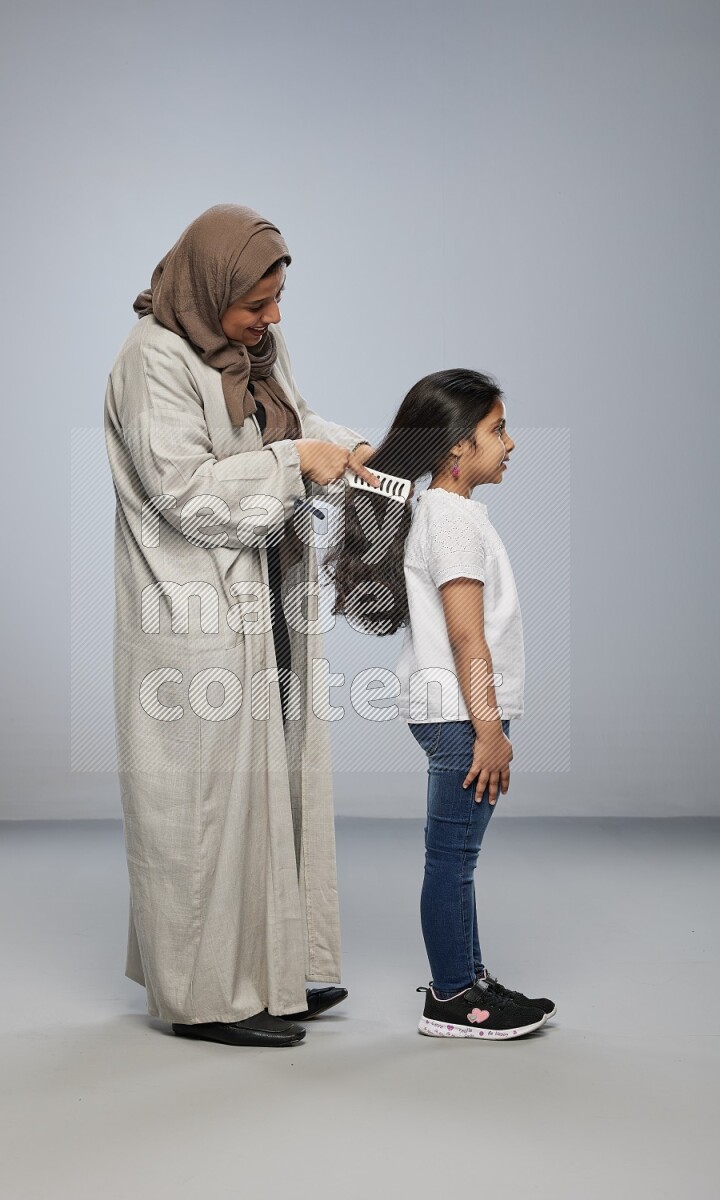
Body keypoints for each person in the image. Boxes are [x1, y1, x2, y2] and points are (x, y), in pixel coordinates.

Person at [103, 204, 378, 1047]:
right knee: (202, 808)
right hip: (197, 611)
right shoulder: (153, 360)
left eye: (278, 299)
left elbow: (286, 423)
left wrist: (357, 451)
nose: (273, 319)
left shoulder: (251, 350)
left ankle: (272, 975)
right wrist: (298, 465)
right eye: (256, 304)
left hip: (266, 595)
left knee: (272, 789)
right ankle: (205, 999)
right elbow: (184, 493)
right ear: (208, 286)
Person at [324, 369, 557, 1040]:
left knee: (455, 858)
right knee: (452, 858)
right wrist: (489, 729)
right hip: (461, 715)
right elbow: (466, 635)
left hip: (456, 712)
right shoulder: (451, 522)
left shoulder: (446, 513)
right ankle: (454, 998)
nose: (510, 444)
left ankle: (468, 980)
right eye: (497, 430)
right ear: (456, 447)